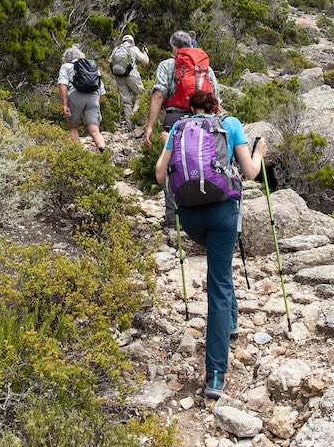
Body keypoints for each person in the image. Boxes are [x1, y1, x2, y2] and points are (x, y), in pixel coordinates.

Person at [155, 89, 268, 400]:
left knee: (219, 269)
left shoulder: (178, 128)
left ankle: (232, 319)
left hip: (190, 217)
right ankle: (216, 374)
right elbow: (250, 172)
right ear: (216, 105)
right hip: (222, 213)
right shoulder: (229, 124)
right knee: (218, 282)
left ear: (191, 109)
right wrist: (260, 153)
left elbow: (159, 173)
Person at [142, 30, 220, 149]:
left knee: (175, 161)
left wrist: (150, 126)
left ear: (174, 46)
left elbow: (159, 95)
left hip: (175, 120)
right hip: (205, 120)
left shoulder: (166, 65)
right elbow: (215, 97)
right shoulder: (205, 68)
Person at [57, 46, 107, 153]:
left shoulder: (66, 66)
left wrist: (65, 104)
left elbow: (62, 85)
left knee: (73, 128)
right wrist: (96, 106)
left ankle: (79, 155)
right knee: (94, 130)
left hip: (75, 96)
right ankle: (104, 154)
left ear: (66, 58)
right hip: (93, 97)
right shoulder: (92, 68)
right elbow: (102, 91)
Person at [108, 34, 149, 129]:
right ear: (132, 41)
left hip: (119, 76)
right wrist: (145, 53)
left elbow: (109, 62)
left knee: (126, 101)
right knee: (141, 95)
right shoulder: (133, 48)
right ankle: (135, 114)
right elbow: (145, 61)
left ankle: (130, 127)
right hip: (132, 75)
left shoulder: (116, 49)